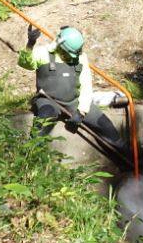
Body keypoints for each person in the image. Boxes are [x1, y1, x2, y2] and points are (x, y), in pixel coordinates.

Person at [18, 25, 132, 162]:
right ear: (59, 46)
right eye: (67, 53)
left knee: (104, 124)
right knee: (44, 119)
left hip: (73, 101)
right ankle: (31, 160)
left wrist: (82, 111)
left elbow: (86, 86)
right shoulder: (43, 53)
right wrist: (30, 45)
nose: (71, 57)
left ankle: (132, 158)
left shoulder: (81, 57)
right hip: (48, 100)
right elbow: (25, 64)